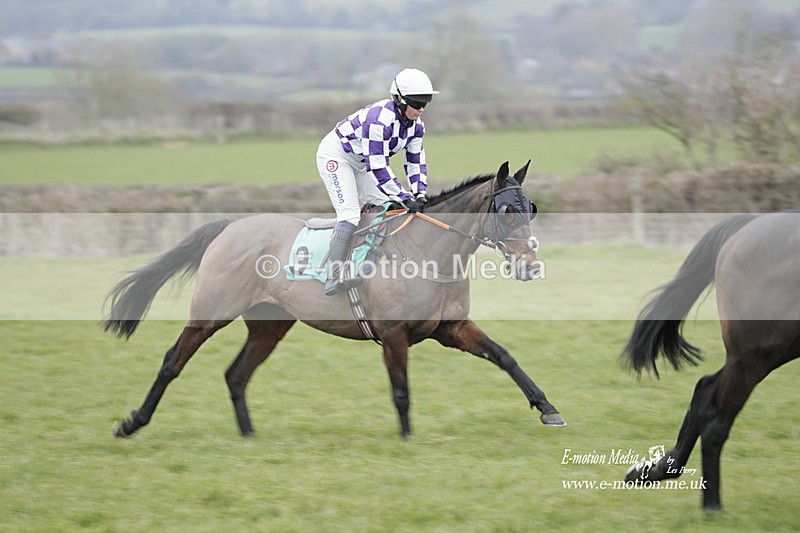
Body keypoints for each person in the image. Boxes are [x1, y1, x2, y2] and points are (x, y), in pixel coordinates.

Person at [316, 67, 439, 295]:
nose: (421, 109)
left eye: (425, 103)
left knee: (391, 207)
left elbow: (415, 162)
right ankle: (333, 276)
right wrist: (403, 195)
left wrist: (419, 193)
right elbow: (378, 166)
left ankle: (366, 262)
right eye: (416, 103)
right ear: (400, 99)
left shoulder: (417, 126)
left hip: (363, 162)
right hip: (337, 157)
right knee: (350, 214)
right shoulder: (379, 120)